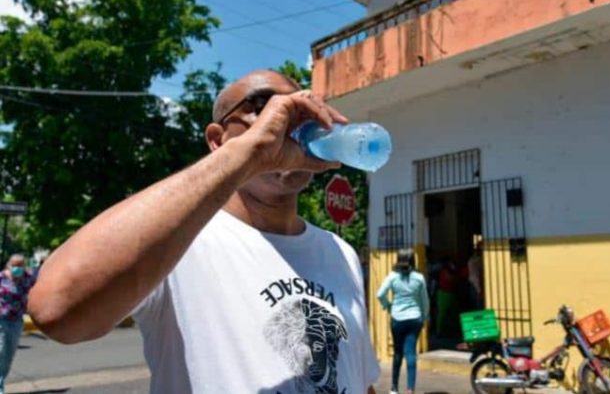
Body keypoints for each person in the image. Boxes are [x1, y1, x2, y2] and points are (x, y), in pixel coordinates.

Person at [27, 70, 380, 394]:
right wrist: (252, 153)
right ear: (217, 139)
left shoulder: (340, 251)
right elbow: (56, 308)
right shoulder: (178, 237)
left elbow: (358, 379)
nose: (287, 120)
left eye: (299, 110)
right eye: (264, 105)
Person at [376, 249, 429, 394]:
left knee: (398, 352)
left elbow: (379, 294)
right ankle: (410, 389)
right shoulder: (419, 278)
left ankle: (394, 387)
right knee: (411, 353)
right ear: (413, 260)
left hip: (397, 318)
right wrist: (424, 317)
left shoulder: (393, 277)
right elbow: (425, 300)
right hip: (415, 319)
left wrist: (387, 305)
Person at [0, 254, 35, 394]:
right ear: (9, 264)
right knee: (0, 351)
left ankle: (1, 380)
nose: (17, 268)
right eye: (14, 265)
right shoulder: (1, 277)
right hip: (1, 320)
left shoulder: (27, 278)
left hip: (16, 322)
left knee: (8, 356)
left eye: (20, 265)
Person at [467, 242, 483, 310]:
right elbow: (475, 277)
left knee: (476, 306)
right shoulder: (476, 261)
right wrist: (479, 290)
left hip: (474, 286)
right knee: (478, 307)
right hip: (476, 287)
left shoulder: (473, 259)